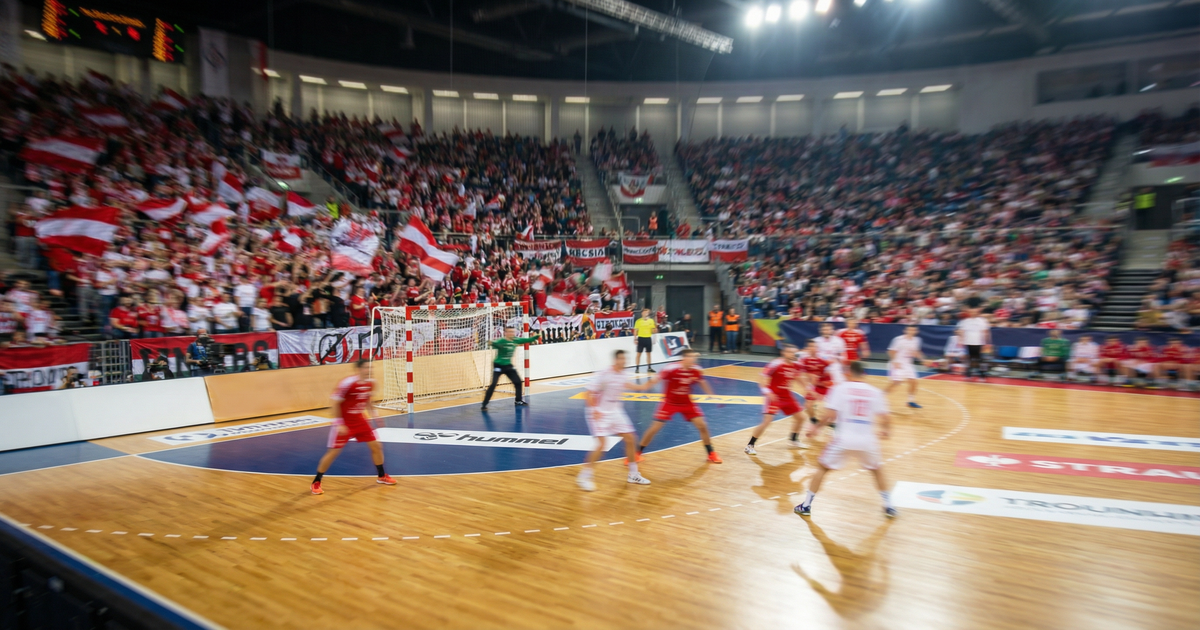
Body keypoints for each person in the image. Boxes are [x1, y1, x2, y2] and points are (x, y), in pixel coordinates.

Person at [795, 360, 896, 519]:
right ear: (864, 373)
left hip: (844, 439)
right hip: (867, 440)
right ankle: (889, 506)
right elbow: (886, 417)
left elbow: (830, 416)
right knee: (877, 470)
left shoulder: (840, 389)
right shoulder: (875, 392)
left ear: (847, 373)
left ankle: (806, 505)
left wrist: (816, 428)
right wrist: (886, 430)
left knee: (822, 468)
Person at [311, 359, 396, 494]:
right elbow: (335, 403)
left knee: (376, 446)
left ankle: (381, 476)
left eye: (371, 368)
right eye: (366, 368)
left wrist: (375, 415)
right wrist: (339, 423)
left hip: (360, 420)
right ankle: (316, 482)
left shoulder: (371, 383)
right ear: (359, 369)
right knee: (333, 452)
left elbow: (367, 400)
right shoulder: (348, 383)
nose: (369, 370)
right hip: (345, 422)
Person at [630, 349, 723, 464]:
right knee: (654, 428)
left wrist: (711, 395)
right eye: (690, 357)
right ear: (684, 358)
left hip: (686, 402)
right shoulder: (671, 369)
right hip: (669, 403)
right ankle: (637, 453)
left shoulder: (696, 370)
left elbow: (702, 382)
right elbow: (656, 379)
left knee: (702, 425)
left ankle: (711, 453)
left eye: (694, 357)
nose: (693, 359)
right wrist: (643, 387)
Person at [577, 349, 652, 491]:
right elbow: (588, 393)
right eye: (621, 359)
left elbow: (629, 385)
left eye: (625, 359)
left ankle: (633, 474)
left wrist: (646, 385)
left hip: (615, 411)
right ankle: (584, 476)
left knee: (630, 438)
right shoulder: (604, 374)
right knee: (602, 445)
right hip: (598, 412)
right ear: (615, 360)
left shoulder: (623, 374)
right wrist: (595, 410)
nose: (624, 361)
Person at [746, 343, 809, 455]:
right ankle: (750, 445)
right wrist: (767, 392)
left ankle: (793, 440)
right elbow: (762, 378)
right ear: (783, 353)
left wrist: (808, 388)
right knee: (767, 421)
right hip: (774, 396)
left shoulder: (795, 365)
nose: (792, 354)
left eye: (793, 352)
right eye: (789, 352)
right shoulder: (776, 364)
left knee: (801, 418)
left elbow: (798, 377)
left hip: (787, 395)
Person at [481, 326, 539, 410]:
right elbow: (495, 343)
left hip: (508, 365)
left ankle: (518, 400)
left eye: (513, 332)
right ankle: (484, 404)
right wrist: (492, 343)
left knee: (518, 382)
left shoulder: (516, 340)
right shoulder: (501, 341)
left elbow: (527, 340)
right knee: (493, 384)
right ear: (505, 333)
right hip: (498, 365)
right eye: (509, 332)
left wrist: (535, 337)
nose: (511, 333)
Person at [886, 326, 924, 409]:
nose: (911, 331)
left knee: (914, 382)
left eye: (913, 329)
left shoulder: (917, 340)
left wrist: (923, 360)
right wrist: (895, 361)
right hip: (897, 363)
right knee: (896, 382)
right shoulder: (899, 339)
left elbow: (916, 352)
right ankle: (881, 398)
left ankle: (910, 401)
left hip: (908, 364)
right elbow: (891, 351)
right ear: (905, 330)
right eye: (910, 329)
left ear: (916, 331)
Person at [799, 338, 834, 422]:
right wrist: (809, 382)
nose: (813, 348)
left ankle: (832, 421)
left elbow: (831, 371)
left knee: (832, 405)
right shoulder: (803, 360)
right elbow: (802, 374)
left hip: (825, 383)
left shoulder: (823, 358)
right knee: (808, 405)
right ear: (807, 348)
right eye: (810, 346)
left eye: (814, 346)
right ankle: (813, 419)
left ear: (817, 348)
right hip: (814, 385)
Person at [957, 308, 991, 382]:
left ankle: (982, 376)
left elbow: (986, 332)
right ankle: (968, 375)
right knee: (969, 359)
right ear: (969, 313)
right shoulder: (965, 321)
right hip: (968, 342)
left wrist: (986, 342)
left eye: (975, 312)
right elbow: (961, 331)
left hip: (979, 343)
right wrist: (961, 341)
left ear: (977, 312)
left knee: (980, 359)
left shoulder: (982, 320)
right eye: (971, 312)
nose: (973, 313)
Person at [633, 308, 657, 373]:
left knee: (648, 354)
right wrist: (635, 338)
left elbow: (653, 330)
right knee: (638, 354)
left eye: (648, 312)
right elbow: (635, 330)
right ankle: (637, 368)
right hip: (641, 338)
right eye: (645, 312)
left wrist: (655, 330)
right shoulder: (638, 321)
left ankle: (649, 367)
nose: (647, 313)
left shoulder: (651, 321)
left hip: (648, 338)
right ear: (642, 313)